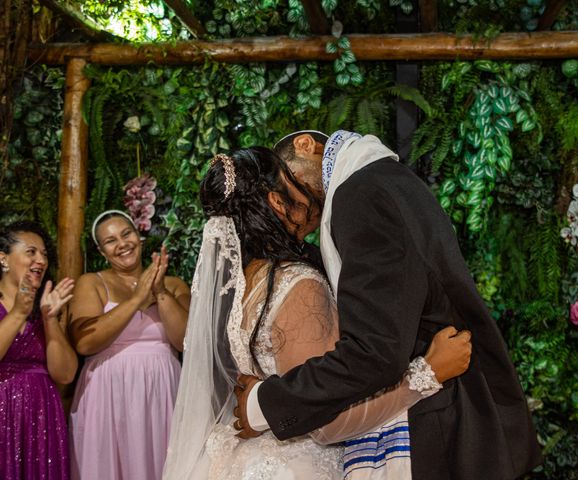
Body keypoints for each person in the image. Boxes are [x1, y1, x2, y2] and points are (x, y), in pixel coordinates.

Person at [234, 130, 542, 479]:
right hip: (450, 412)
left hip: (435, 426)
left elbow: (374, 352)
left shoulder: (361, 195)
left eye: (284, 194)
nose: (295, 221)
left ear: (306, 144)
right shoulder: (384, 179)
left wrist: (265, 405)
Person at [162, 148, 472, 480]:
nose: (307, 187)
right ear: (278, 202)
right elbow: (329, 425)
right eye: (290, 178)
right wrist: (426, 376)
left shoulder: (235, 288)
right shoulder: (297, 284)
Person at [68, 210, 190, 480]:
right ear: (102, 251)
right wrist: (136, 299)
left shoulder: (173, 284)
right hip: (107, 394)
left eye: (126, 233)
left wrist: (159, 292)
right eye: (110, 241)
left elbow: (184, 341)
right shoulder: (92, 283)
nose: (122, 243)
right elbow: (85, 342)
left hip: (162, 393)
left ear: (139, 237)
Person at [0, 221, 77, 479]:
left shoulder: (47, 307)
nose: (40, 260)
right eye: (31, 252)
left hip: (42, 415)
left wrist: (50, 320)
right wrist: (19, 312)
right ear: (3, 259)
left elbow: (65, 375)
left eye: (44, 254)